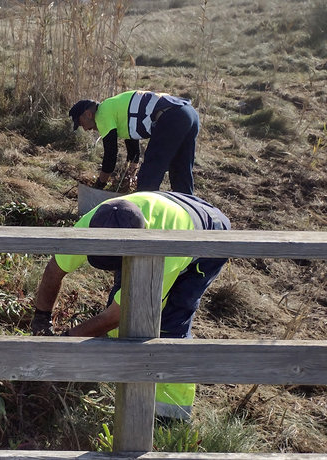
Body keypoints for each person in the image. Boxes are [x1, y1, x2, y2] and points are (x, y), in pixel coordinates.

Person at [29, 191, 230, 421]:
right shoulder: (94, 221)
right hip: (168, 205)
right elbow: (55, 270)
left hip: (205, 234)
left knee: (168, 325)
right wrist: (41, 318)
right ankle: (119, 372)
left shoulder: (162, 257)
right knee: (124, 306)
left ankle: (171, 416)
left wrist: (65, 342)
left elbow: (117, 314)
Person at [69, 91, 200, 194]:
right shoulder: (115, 108)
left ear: (88, 114)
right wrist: (130, 172)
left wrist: (99, 185)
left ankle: (144, 221)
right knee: (181, 171)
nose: (85, 129)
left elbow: (110, 156)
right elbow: (134, 151)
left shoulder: (102, 115)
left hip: (171, 116)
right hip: (188, 113)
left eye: (81, 124)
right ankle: (188, 215)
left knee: (148, 176)